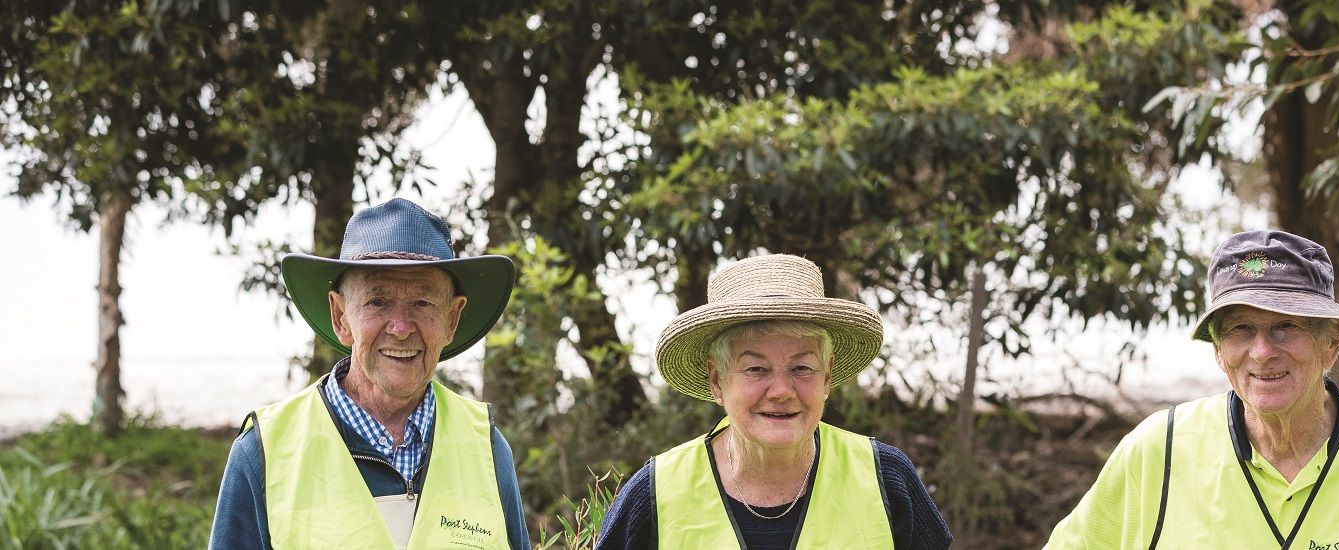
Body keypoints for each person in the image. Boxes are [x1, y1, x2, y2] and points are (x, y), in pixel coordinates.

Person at [1045, 230, 1339, 549]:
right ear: (1217, 349)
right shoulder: (1157, 453)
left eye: (1286, 327)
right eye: (1241, 329)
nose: (1262, 351)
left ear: (1332, 342)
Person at [209, 198, 530, 550]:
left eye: (423, 303)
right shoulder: (263, 452)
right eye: (378, 302)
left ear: (452, 319)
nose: (402, 328)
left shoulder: (487, 447)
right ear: (341, 316)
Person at [596, 254, 953, 549]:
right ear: (717, 379)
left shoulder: (886, 479)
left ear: (827, 376)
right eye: (755, 368)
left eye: (802, 367)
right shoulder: (656, 493)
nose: (781, 390)